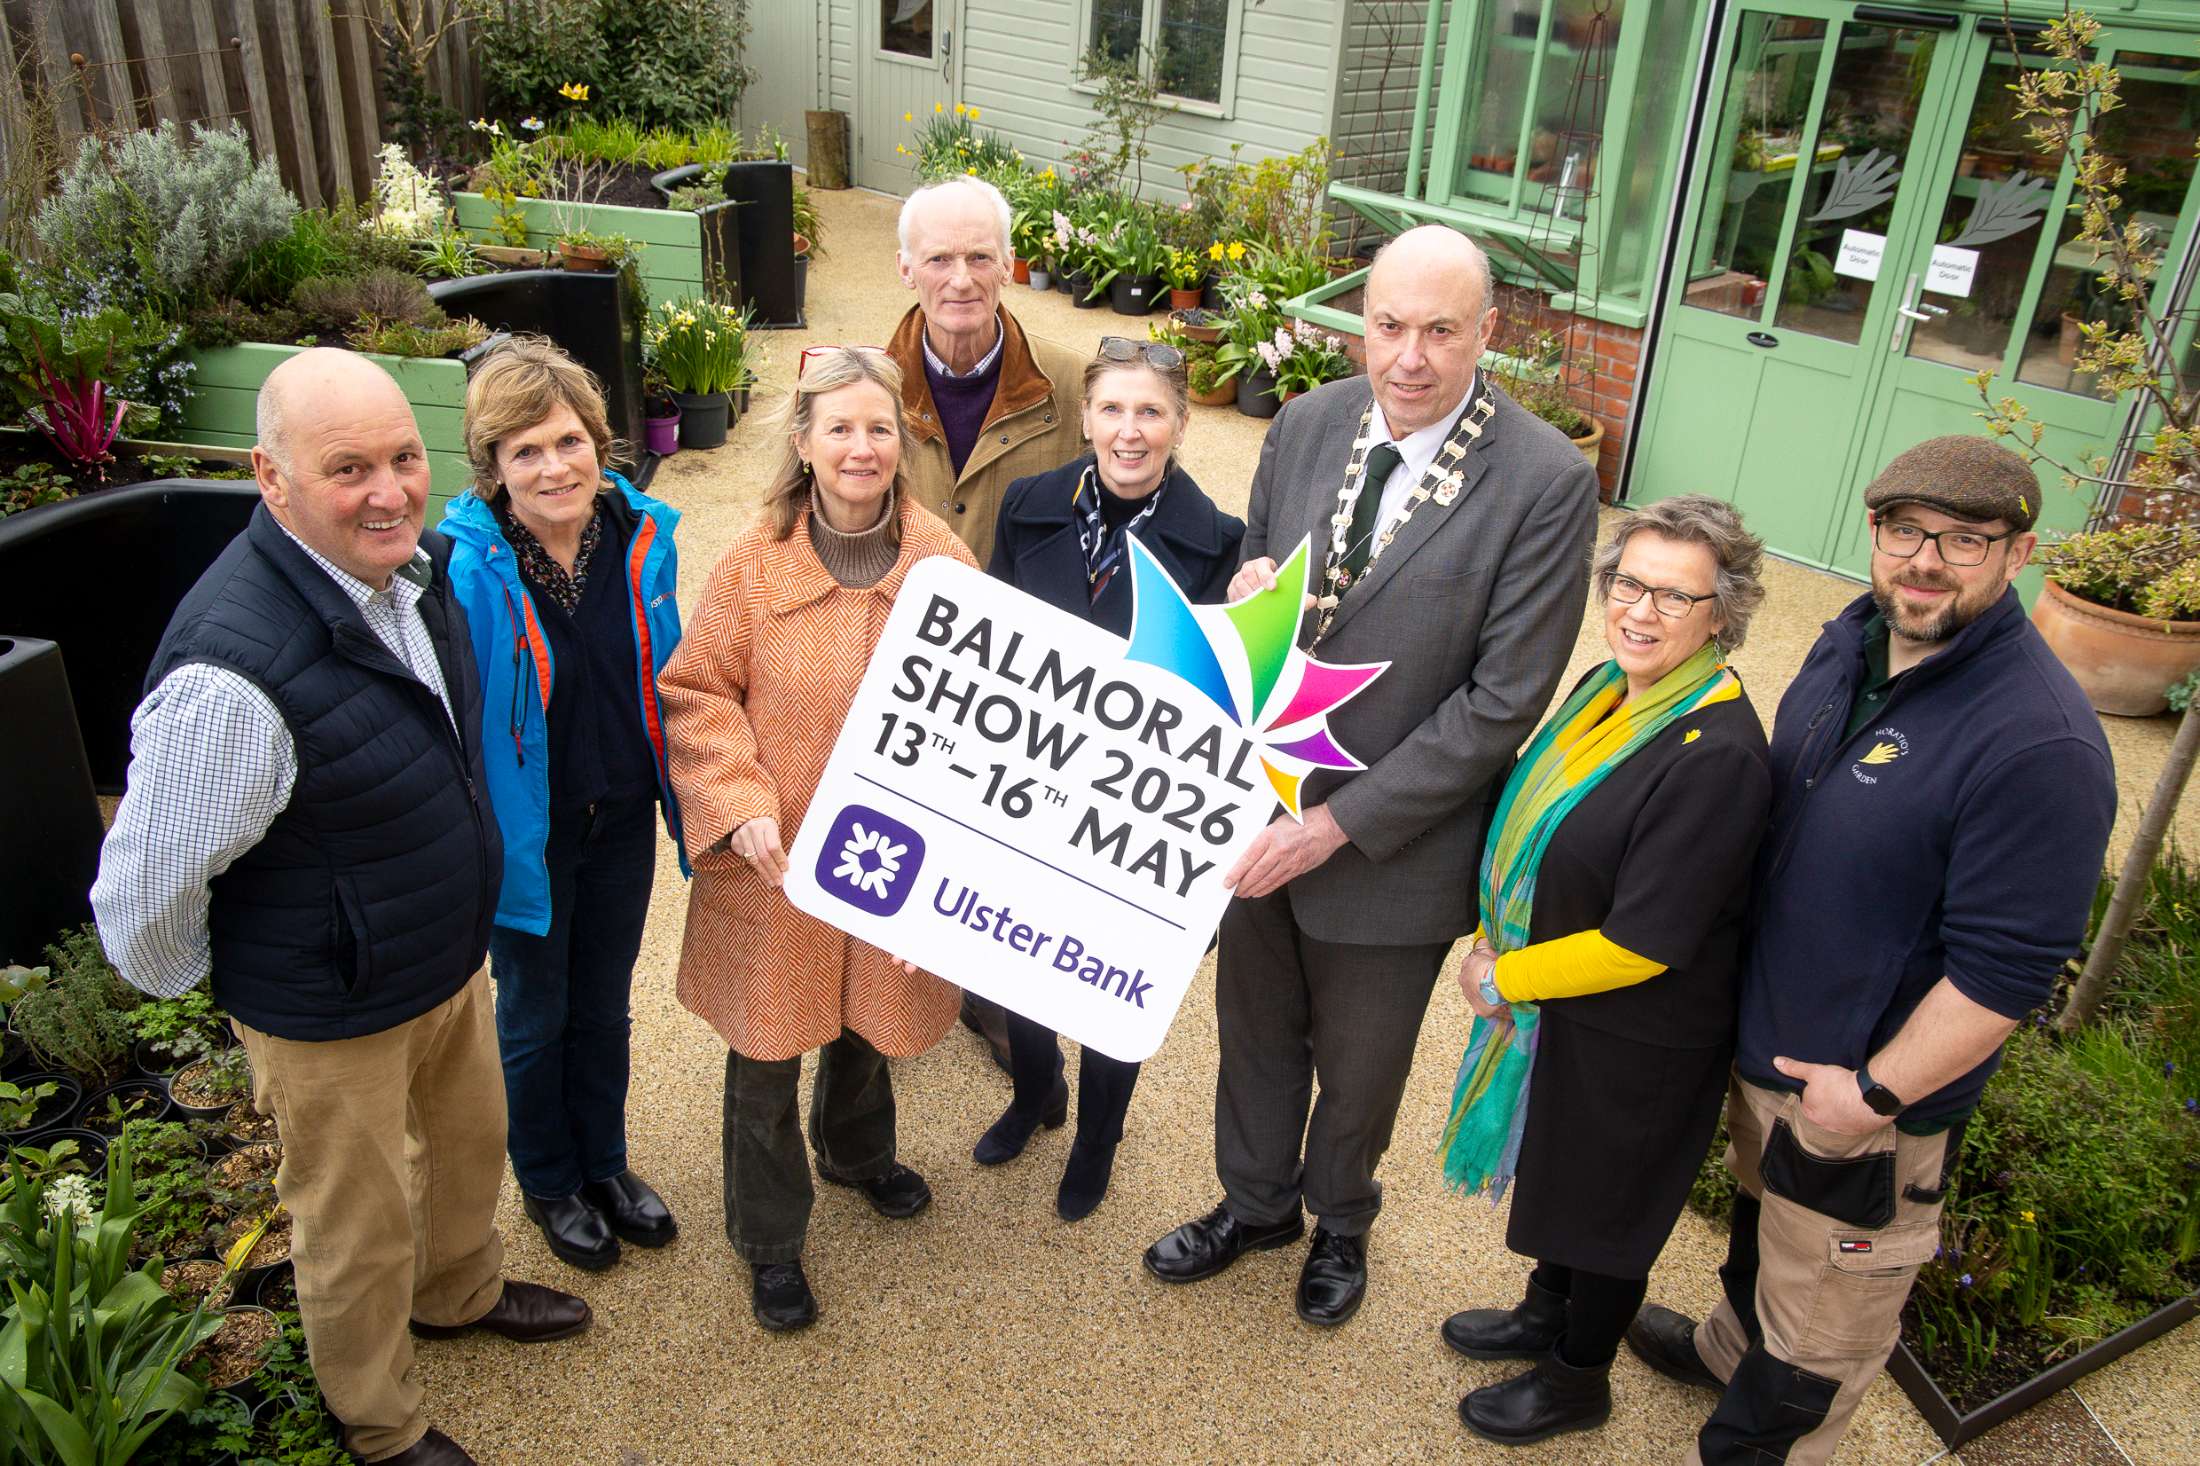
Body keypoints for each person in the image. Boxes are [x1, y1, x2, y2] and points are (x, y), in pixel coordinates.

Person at [89, 348, 588, 1466]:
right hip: (325, 1002)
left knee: (468, 1145)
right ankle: (380, 1418)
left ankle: (457, 1291)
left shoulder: (411, 569)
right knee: (352, 1226)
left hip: (438, 955)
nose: (389, 490)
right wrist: (250, 988)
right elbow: (140, 896)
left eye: (404, 458)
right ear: (271, 478)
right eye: (347, 467)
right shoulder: (231, 674)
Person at [1625, 437, 2116, 1466]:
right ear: (1873, 533)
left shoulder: (2039, 742)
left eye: (1965, 540)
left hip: (1863, 1107)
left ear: (2017, 551)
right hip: (1768, 1053)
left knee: (1823, 1327)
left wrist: (1873, 1096)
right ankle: (1725, 1349)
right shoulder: (1849, 643)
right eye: (1904, 531)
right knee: (1764, 1239)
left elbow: (2004, 973)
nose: (1925, 560)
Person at [1144, 225, 1601, 1326]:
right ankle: (1253, 1204)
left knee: (1358, 1068)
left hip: (1392, 844)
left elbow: (1500, 702)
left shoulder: (1545, 479)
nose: (1409, 355)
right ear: (1363, 323)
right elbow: (1265, 572)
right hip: (1260, 810)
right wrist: (1252, 589)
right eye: (1389, 325)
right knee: (1253, 1031)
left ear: (1487, 332)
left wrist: (1338, 825)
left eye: (1441, 331)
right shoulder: (1304, 422)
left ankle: (1340, 1219)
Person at [1436, 496, 1772, 1446]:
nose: (1642, 611)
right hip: (1569, 1005)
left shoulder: (1718, 752)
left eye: (1677, 596)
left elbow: (1646, 940)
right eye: (1630, 583)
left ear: (1723, 615)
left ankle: (1580, 1379)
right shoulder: (1608, 688)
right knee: (1561, 1167)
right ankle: (1547, 1313)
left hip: (1643, 1028)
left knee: (1610, 1204)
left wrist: (1506, 978)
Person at [658, 347, 977, 1333]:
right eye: (838, 426)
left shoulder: (944, 561)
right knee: (766, 1044)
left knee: (867, 1013)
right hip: (775, 854)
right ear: (803, 441)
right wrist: (738, 798)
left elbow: (979, 717)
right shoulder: (756, 558)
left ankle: (855, 1150)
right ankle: (768, 1237)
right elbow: (697, 688)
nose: (860, 445)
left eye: (878, 427)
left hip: (891, 853)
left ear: (901, 443)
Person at [979, 335, 1246, 1221]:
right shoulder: (1027, 504)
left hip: (1133, 807)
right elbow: (985, 639)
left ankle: (1097, 1139)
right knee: (1018, 955)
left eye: (1151, 412)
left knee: (1111, 974)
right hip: (1031, 780)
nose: (1130, 432)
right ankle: (1034, 1091)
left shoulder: (1220, 546)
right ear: (1086, 415)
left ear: (1177, 423)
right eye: (1114, 410)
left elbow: (1223, 706)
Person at [440, 338, 686, 1273]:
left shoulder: (640, 533)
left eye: (569, 441)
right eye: (526, 452)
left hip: (619, 814)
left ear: (600, 441)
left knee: (606, 1005)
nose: (555, 467)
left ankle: (607, 1166)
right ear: (495, 471)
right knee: (535, 1013)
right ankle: (549, 1180)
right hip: (528, 835)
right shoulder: (464, 570)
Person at [886, 174, 1086, 1069]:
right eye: (939, 257)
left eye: (978, 255)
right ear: (904, 268)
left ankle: (1002, 1007)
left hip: (1022, 680)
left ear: (1009, 263)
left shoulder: (1075, 386)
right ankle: (897, 997)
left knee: (1009, 844)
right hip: (897, 661)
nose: (960, 277)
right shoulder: (863, 388)